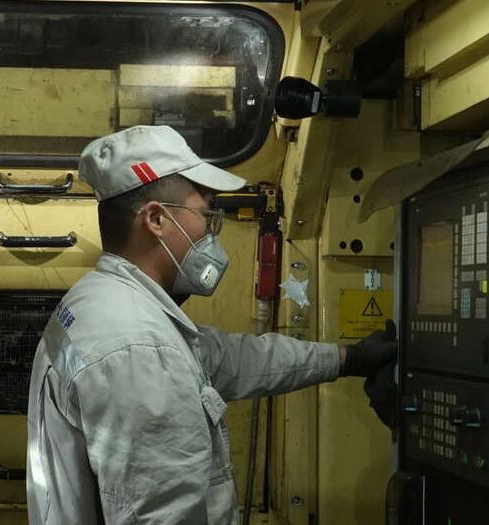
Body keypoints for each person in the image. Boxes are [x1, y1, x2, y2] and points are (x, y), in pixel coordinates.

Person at [26, 125, 396, 524]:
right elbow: (165, 516)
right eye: (206, 216)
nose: (211, 233)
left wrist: (348, 358)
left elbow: (227, 359)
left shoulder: (104, 301)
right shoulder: (138, 349)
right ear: (156, 219)